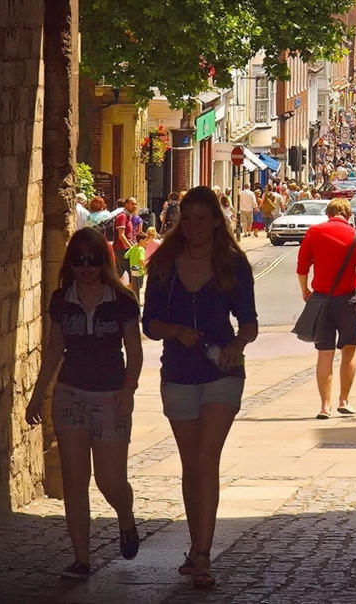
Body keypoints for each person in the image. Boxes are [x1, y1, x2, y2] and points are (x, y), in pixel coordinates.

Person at [143, 186, 258, 589]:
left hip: (222, 372)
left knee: (207, 458)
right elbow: (149, 323)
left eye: (201, 218)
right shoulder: (164, 264)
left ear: (215, 221)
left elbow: (249, 322)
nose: (193, 226)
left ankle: (204, 554)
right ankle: (196, 545)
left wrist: (236, 344)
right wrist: (176, 331)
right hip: (178, 371)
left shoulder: (232, 263)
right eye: (187, 219)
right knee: (191, 463)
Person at [25, 227, 142, 581]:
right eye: (79, 261)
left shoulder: (122, 300)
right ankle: (81, 559)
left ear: (104, 262)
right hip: (70, 394)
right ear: (70, 264)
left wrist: (128, 391)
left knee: (110, 481)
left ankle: (125, 517)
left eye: (93, 260)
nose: (86, 268)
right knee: (75, 480)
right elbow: (54, 348)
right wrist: (38, 394)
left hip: (110, 396)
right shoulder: (62, 300)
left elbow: (134, 352)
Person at [296, 198, 356, 418]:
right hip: (347, 301)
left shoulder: (314, 232)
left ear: (328, 214)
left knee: (325, 354)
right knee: (349, 351)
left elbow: (302, 267)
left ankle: (324, 406)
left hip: (321, 300)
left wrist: (304, 290)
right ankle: (344, 400)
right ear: (348, 215)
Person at [113, 197, 137, 280]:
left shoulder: (128, 216)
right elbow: (121, 235)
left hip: (125, 248)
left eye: (135, 204)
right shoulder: (122, 216)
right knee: (132, 272)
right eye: (132, 204)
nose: (135, 206)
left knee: (118, 273)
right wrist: (131, 247)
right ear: (126, 204)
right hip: (122, 249)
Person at [127, 232, 147, 303]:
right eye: (145, 240)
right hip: (140, 272)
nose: (147, 242)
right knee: (139, 286)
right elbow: (141, 260)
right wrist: (146, 268)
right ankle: (136, 300)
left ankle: (133, 299)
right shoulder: (141, 249)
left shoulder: (133, 247)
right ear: (141, 240)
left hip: (132, 271)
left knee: (134, 286)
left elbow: (126, 256)